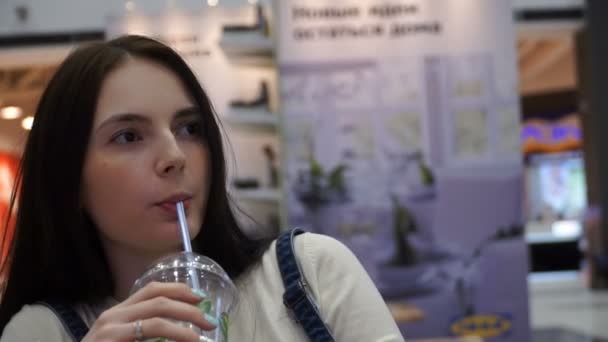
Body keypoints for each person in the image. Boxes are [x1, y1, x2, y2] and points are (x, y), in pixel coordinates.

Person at [0, 35, 404, 341]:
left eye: (189, 128)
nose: (175, 155)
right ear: (69, 176)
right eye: (128, 136)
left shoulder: (311, 272)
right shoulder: (40, 331)